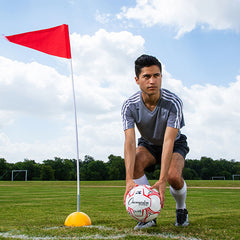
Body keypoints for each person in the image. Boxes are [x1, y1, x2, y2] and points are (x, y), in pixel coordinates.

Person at [121, 54, 189, 230]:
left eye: (156, 75)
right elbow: (129, 141)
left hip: (174, 144)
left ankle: (181, 209)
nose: (152, 81)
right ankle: (148, 216)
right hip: (148, 144)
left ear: (161, 77)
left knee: (174, 176)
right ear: (137, 80)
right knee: (135, 160)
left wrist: (162, 179)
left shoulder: (173, 103)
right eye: (147, 76)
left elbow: (168, 141)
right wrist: (129, 179)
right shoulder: (129, 105)